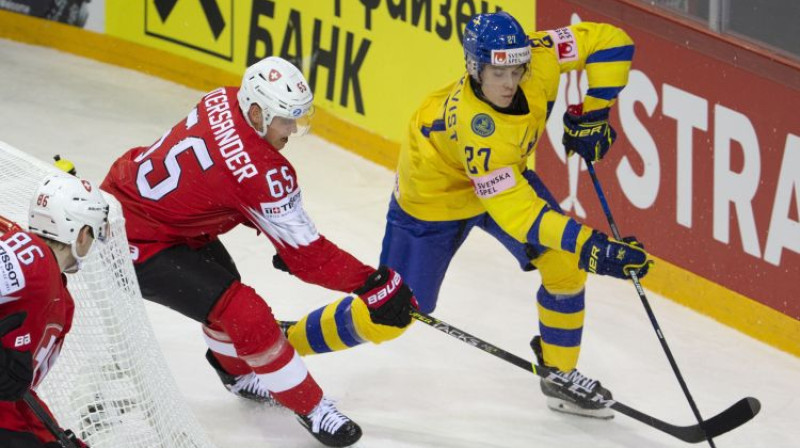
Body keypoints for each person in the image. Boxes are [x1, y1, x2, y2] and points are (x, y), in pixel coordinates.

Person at [100, 56, 417, 447]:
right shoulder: (264, 171)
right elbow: (309, 257)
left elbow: (216, 178)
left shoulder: (222, 98)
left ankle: (237, 375)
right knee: (243, 311)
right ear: (256, 111)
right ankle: (313, 410)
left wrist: (266, 223)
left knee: (222, 293)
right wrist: (371, 283)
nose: (294, 129)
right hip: (136, 241)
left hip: (140, 205)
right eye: (286, 120)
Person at [376, 12, 650, 419]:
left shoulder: (539, 56)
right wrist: (592, 245)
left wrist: (595, 112)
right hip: (433, 202)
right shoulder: (477, 127)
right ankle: (286, 342)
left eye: (516, 71)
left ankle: (560, 375)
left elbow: (612, 39)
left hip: (504, 180)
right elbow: (523, 217)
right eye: (497, 73)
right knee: (391, 312)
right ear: (474, 66)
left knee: (564, 266)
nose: (509, 83)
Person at [0, 173, 110, 447]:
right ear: (82, 234)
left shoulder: (60, 297)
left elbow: (18, 391)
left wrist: (52, 437)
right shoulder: (31, 256)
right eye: (94, 234)